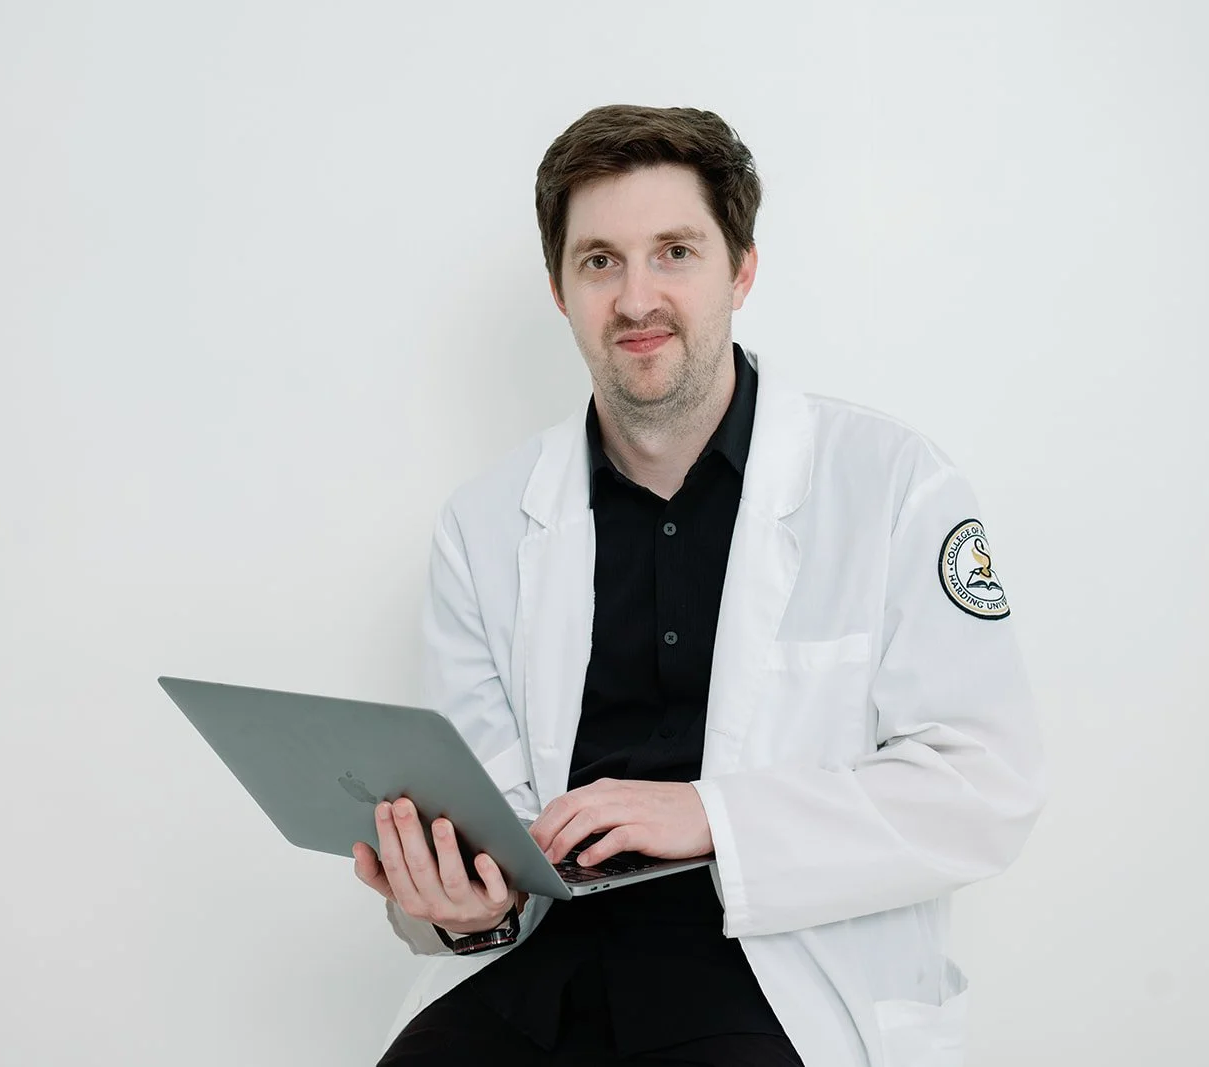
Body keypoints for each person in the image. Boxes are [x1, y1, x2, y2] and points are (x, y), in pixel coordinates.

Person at [353, 104, 1046, 1067]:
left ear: (742, 270)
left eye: (674, 252)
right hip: (541, 969)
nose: (636, 298)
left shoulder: (893, 486)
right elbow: (490, 812)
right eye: (600, 261)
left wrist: (712, 816)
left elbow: (982, 788)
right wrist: (466, 904)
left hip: (769, 968)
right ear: (560, 290)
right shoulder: (485, 524)